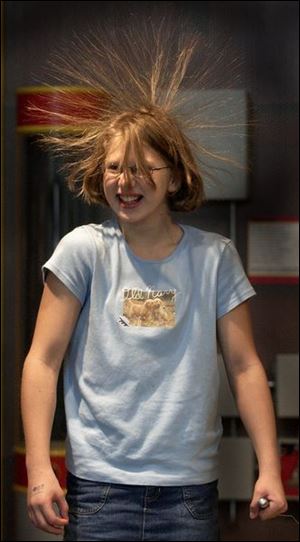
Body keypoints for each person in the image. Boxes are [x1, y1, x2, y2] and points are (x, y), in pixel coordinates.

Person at [20, 22, 287, 542]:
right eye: (115, 167)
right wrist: (38, 470)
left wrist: (271, 467)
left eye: (144, 168)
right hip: (97, 490)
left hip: (188, 493)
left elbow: (246, 365)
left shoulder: (214, 258)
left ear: (176, 176)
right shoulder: (84, 250)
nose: (126, 182)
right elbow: (42, 361)